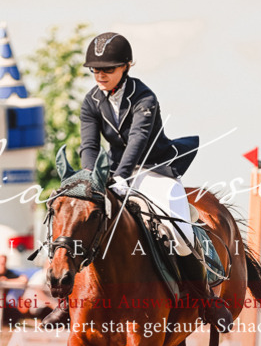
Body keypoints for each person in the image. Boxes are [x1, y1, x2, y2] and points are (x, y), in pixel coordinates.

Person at [79, 31, 206, 291]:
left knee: (181, 234)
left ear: (126, 66)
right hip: (114, 171)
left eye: (108, 69)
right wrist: (90, 177)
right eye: (95, 69)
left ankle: (204, 296)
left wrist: (122, 177)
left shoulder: (144, 97)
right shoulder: (90, 101)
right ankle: (67, 297)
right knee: (78, 227)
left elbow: (137, 140)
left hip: (154, 168)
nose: (100, 75)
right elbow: (89, 146)